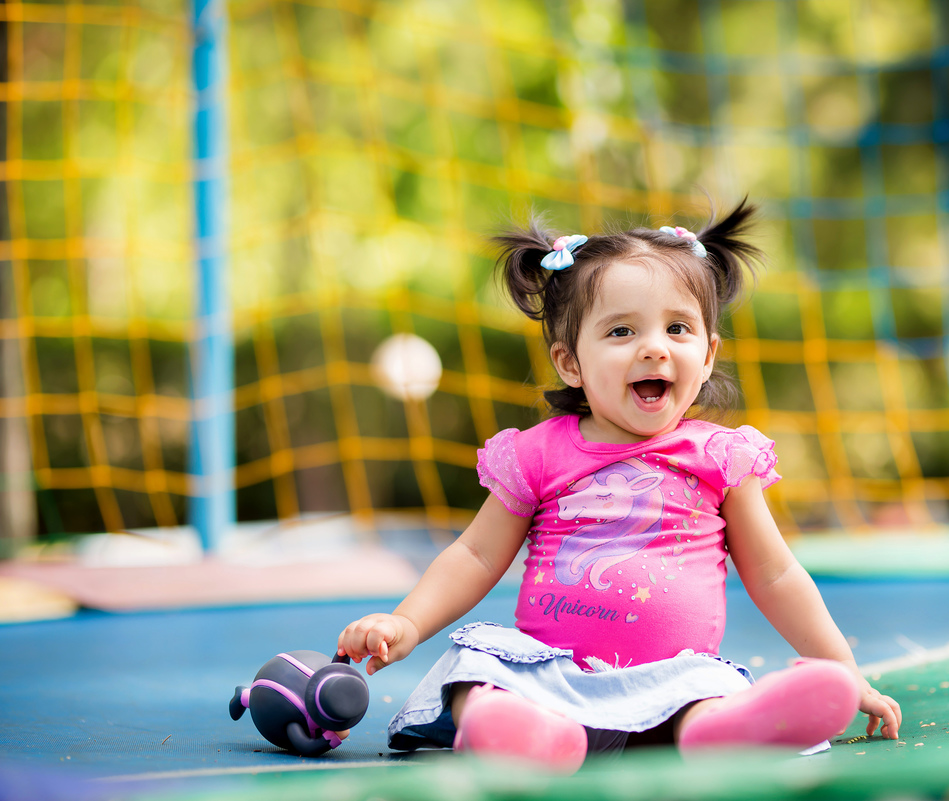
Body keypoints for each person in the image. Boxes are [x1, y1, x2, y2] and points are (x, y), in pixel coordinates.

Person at [337, 199, 902, 772]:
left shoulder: (720, 458)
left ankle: (723, 731)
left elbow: (776, 573)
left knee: (706, 694)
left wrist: (844, 672)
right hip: (550, 677)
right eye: (622, 330)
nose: (654, 347)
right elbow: (476, 554)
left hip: (671, 685)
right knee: (478, 671)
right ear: (570, 362)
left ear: (707, 355)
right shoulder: (537, 454)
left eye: (677, 327)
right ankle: (526, 737)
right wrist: (406, 621)